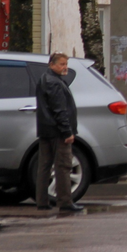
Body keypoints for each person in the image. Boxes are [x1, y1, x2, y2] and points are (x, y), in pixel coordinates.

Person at [35, 52, 83, 213]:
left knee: (44, 166)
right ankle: (65, 202)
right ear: (52, 65)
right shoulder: (54, 82)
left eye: (66, 64)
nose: (65, 67)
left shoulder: (45, 79)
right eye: (62, 64)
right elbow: (59, 110)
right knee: (63, 166)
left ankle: (41, 201)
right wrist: (67, 132)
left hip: (45, 130)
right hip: (57, 132)